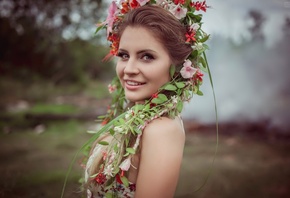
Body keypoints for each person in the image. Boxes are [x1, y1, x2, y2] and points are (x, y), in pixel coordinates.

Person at [83, 0, 210, 197]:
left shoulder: (161, 130)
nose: (129, 69)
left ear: (177, 66)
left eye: (147, 57)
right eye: (124, 55)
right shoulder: (136, 116)